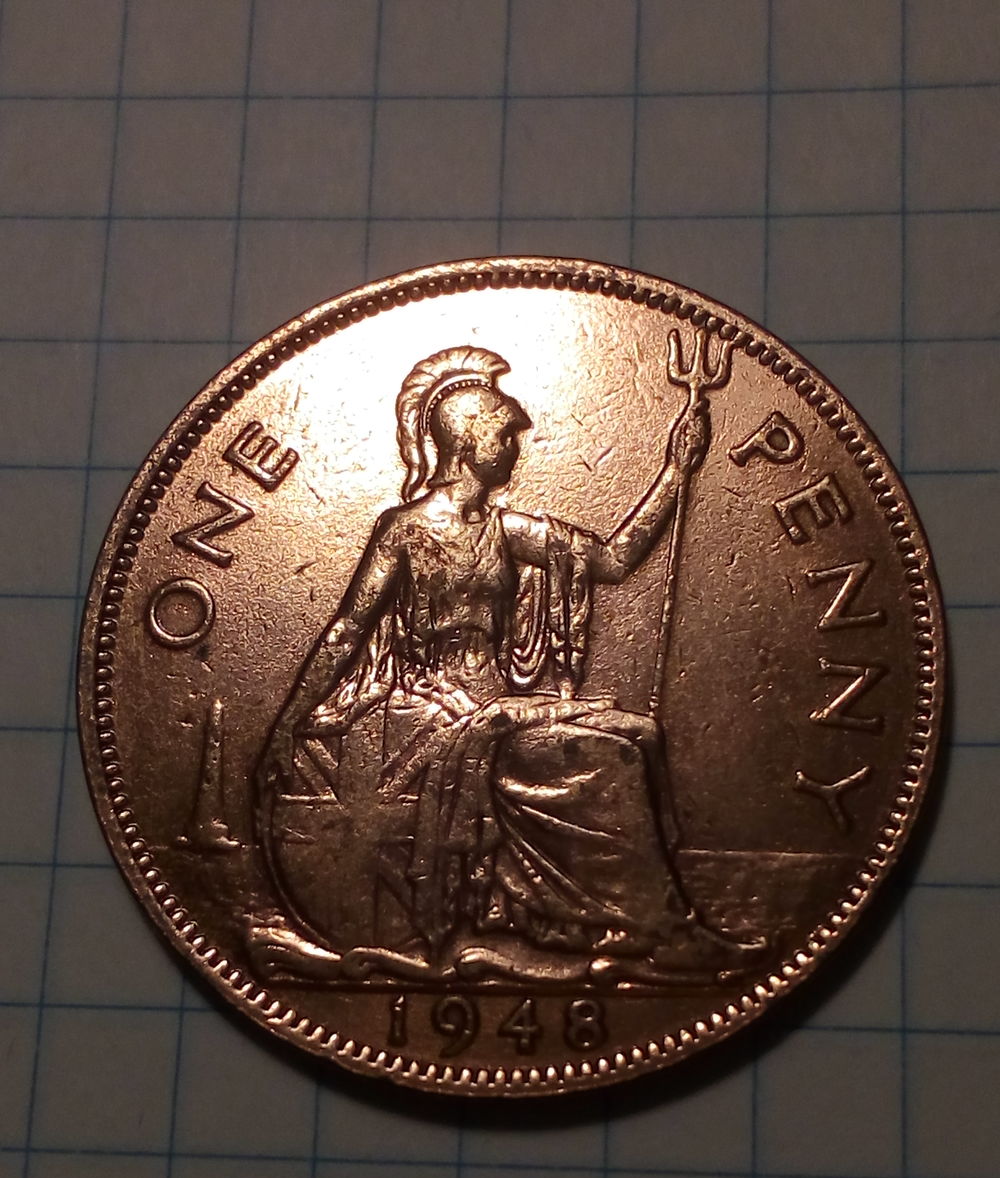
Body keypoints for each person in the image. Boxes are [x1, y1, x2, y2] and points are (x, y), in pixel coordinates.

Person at [254, 345, 764, 984]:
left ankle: (630, 920)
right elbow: (346, 629)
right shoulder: (404, 529)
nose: (515, 449)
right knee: (612, 753)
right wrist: (287, 724)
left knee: (642, 732)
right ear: (469, 443)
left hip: (498, 702)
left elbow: (611, 561)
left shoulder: (504, 529)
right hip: (439, 708)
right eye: (504, 436)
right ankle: (657, 930)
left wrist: (675, 471)